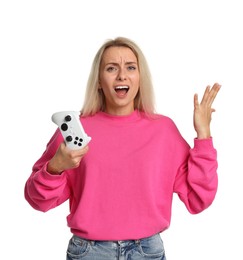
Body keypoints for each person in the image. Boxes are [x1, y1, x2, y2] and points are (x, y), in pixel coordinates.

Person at [24, 37, 221, 260]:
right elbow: (37, 200)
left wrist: (203, 135)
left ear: (139, 78)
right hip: (89, 253)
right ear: (98, 81)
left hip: (147, 252)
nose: (122, 75)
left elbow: (199, 198)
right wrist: (54, 168)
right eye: (111, 68)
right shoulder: (75, 130)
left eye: (130, 67)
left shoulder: (164, 130)